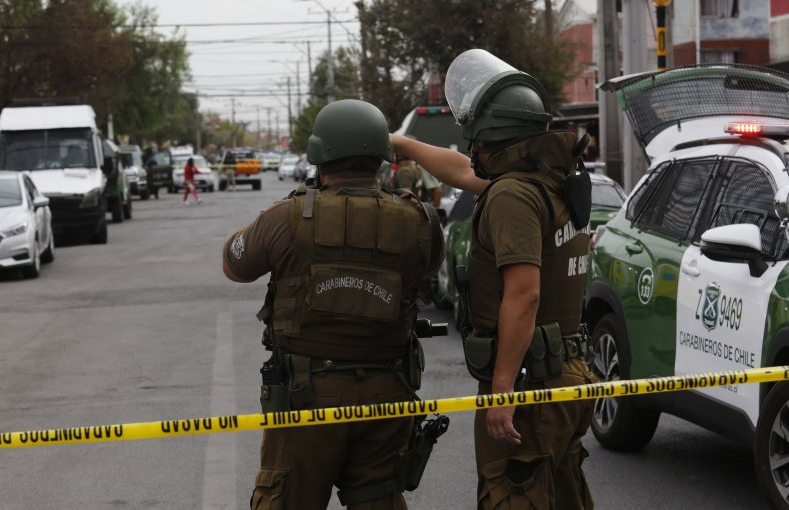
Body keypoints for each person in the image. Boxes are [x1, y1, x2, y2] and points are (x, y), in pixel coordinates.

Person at [391, 49, 596, 509]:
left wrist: (503, 390)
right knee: (563, 495)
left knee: (512, 495)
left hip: (531, 386)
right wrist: (402, 145)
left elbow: (524, 295)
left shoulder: (512, 197)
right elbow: (460, 171)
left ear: (491, 137)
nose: (471, 152)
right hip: (567, 374)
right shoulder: (552, 181)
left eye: (477, 141)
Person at [222, 99, 444, 509]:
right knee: (379, 498)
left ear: (319, 156)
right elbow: (429, 270)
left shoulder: (285, 217)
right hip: (387, 391)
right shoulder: (420, 220)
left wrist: (271, 220)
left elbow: (235, 265)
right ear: (382, 158)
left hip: (306, 397)